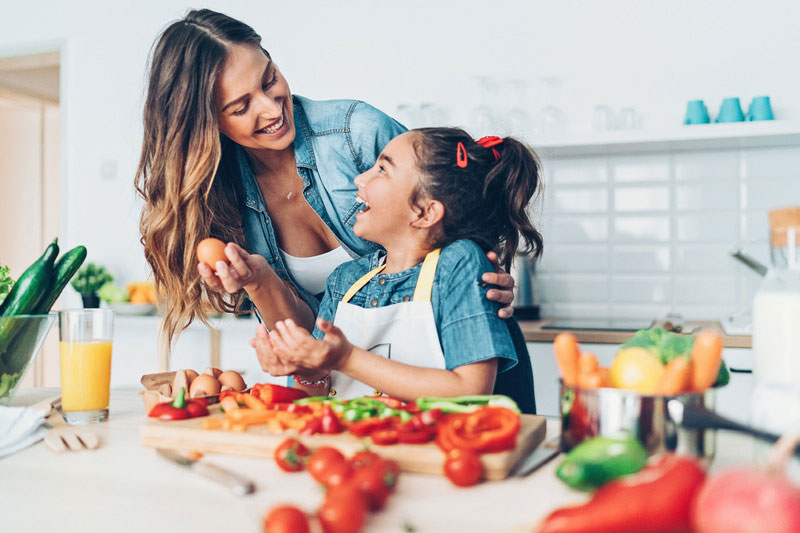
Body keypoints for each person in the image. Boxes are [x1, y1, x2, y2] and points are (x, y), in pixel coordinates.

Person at [135, 9, 532, 410]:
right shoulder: (221, 199)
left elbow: (449, 204)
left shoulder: (356, 132)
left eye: (270, 79)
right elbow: (318, 354)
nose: (272, 110)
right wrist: (259, 283)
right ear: (206, 124)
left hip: (473, 377)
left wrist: (482, 274)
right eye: (241, 107)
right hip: (370, 408)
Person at [252, 128, 542, 404]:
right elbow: (315, 398)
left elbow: (471, 389)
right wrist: (306, 371)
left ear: (425, 212)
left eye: (382, 170)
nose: (359, 179)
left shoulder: (457, 264)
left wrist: (346, 359)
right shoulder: (346, 281)